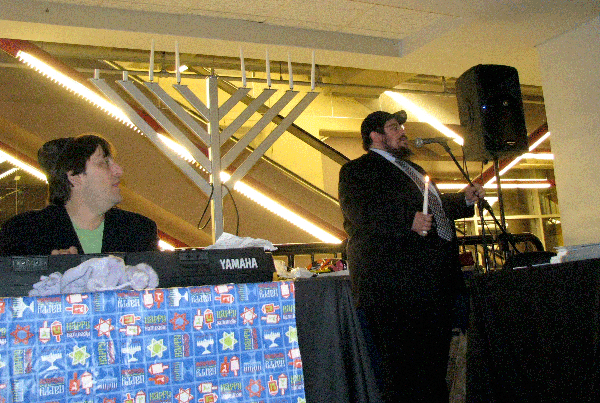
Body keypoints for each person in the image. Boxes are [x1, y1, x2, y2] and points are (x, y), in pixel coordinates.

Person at [338, 111, 485, 402]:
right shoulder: (357, 171)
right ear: (375, 137)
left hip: (432, 285)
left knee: (433, 369)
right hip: (394, 288)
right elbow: (360, 213)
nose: (402, 131)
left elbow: (434, 209)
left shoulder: (413, 168)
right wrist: (407, 221)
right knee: (403, 372)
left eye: (401, 126)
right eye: (393, 127)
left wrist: (464, 199)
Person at [0, 134, 159, 256]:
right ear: (74, 177)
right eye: (103, 162)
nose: (119, 171)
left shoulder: (139, 231)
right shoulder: (24, 232)